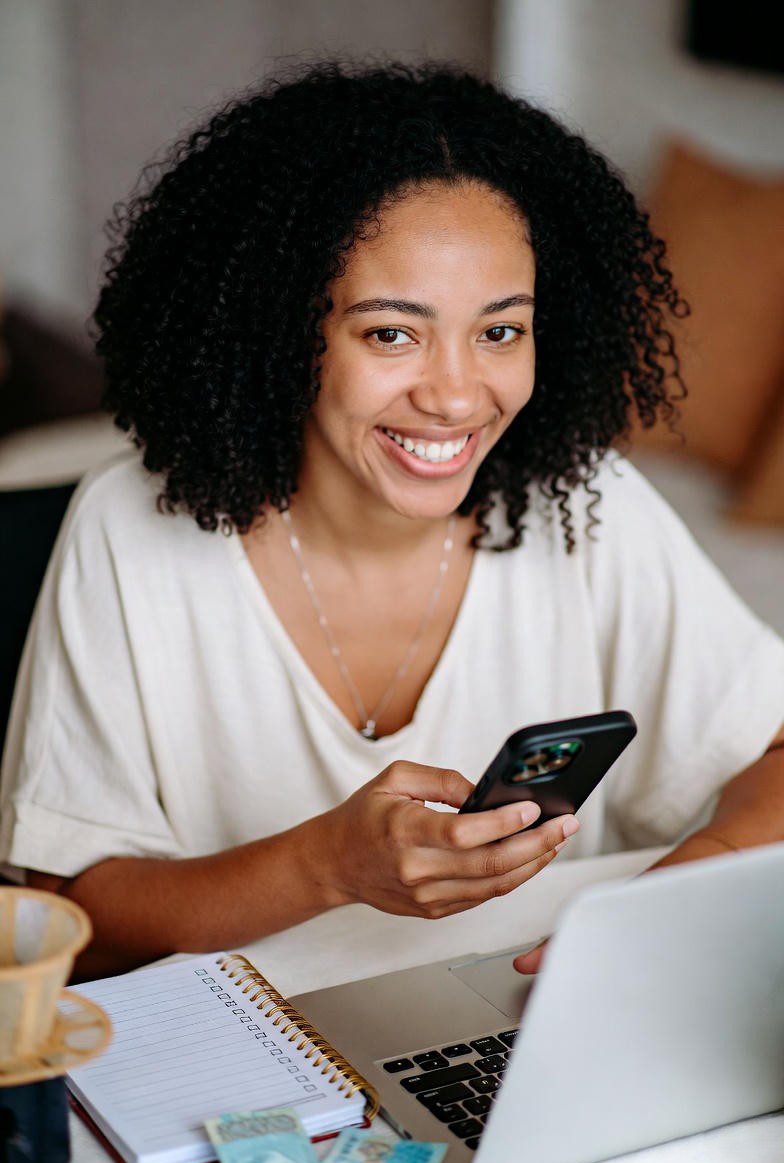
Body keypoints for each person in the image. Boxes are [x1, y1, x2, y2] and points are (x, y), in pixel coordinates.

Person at [1, 61, 782, 981]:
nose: (456, 396)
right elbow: (68, 914)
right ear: (285, 332)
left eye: (500, 331)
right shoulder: (126, 531)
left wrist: (649, 915)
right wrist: (329, 863)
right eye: (391, 333)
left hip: (519, 1021)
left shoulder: (589, 507)